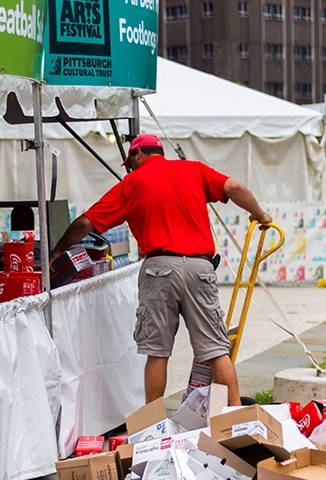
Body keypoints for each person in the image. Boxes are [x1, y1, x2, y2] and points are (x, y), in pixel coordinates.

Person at [49, 133, 272, 406]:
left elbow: (85, 223)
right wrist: (260, 214)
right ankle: (237, 420)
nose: (129, 169)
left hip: (159, 269)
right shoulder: (194, 169)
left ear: (137, 154)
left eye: (129, 163)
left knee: (157, 352)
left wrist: (58, 251)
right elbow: (234, 187)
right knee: (216, 349)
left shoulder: (131, 183)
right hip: (200, 266)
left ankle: (152, 425)